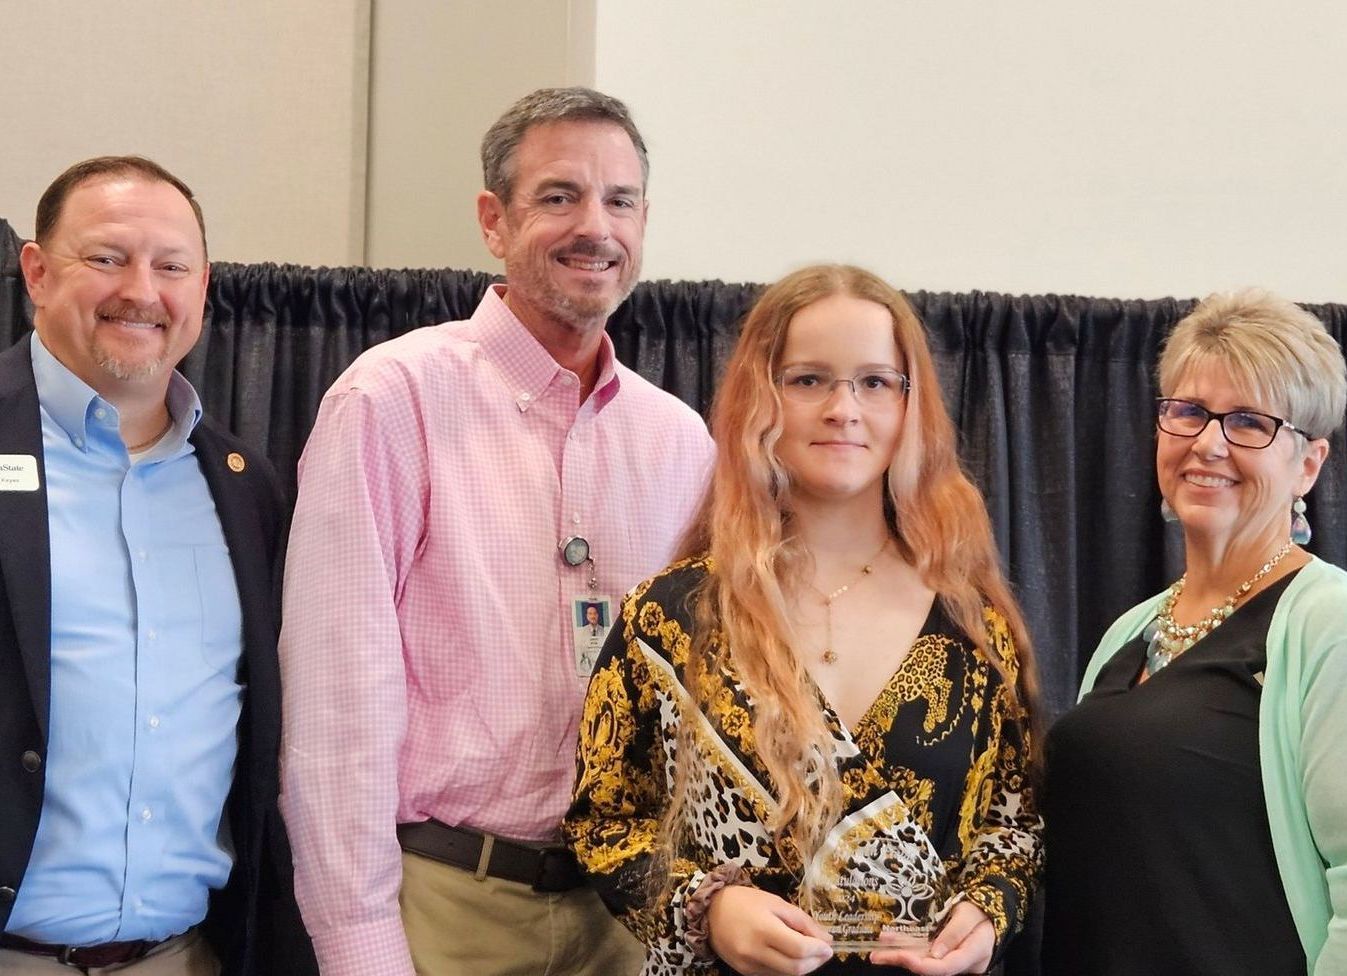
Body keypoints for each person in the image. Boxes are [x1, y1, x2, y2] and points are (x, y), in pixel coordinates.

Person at [279, 87, 714, 976]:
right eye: (559, 196)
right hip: (446, 909)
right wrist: (360, 947)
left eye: (619, 200)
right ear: (493, 220)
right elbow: (337, 708)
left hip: (627, 919)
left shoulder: (679, 441)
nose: (594, 225)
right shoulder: (390, 400)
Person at [565, 264, 1043, 976]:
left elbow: (1012, 827)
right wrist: (708, 908)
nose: (843, 408)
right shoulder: (666, 618)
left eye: (875, 382)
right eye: (809, 379)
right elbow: (603, 822)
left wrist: (986, 912)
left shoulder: (972, 628)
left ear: (911, 406)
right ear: (761, 398)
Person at [0, 157, 315, 975]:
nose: (142, 290)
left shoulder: (248, 489)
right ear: (36, 271)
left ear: (202, 288)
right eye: (106, 258)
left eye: (171, 266)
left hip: (188, 956)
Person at [1042, 289, 1347, 975]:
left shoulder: (1328, 623)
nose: (1207, 442)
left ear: (1307, 464)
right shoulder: (1131, 629)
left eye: (1247, 422)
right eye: (1187, 412)